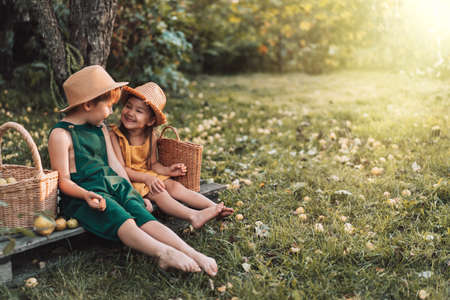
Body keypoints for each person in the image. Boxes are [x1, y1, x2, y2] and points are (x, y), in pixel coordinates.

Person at [48, 65, 218, 276]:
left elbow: (116, 166)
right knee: (123, 218)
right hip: (85, 194)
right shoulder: (61, 135)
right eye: (108, 106)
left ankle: (191, 252)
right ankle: (162, 252)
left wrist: (134, 193)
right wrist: (86, 194)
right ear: (88, 104)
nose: (111, 112)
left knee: (140, 213)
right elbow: (62, 181)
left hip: (113, 184)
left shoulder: (101, 128)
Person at [109, 82, 234, 229]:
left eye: (139, 111)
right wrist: (147, 178)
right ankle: (193, 216)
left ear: (150, 121)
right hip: (129, 181)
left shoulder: (151, 136)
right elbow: (121, 169)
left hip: (148, 176)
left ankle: (216, 208)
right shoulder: (115, 135)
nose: (130, 112)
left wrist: (168, 171)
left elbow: (153, 165)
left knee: (175, 186)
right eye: (128, 106)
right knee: (159, 193)